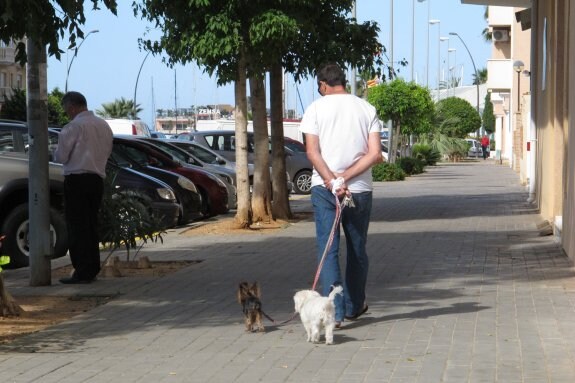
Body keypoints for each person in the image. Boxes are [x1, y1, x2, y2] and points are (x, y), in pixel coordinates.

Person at [299, 63, 382, 326]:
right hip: (359, 190)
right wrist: (344, 179)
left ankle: (333, 314)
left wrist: (332, 180)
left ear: (323, 84)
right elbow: (375, 154)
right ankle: (354, 306)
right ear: (343, 81)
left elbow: (312, 152)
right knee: (357, 249)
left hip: (325, 190)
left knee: (328, 250)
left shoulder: (314, 108)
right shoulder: (366, 108)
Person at [54, 91, 113, 284]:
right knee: (91, 225)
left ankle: (82, 271)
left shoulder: (73, 127)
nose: (66, 114)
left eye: (66, 110)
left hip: (77, 179)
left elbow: (61, 156)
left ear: (71, 107)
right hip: (96, 179)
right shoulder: (103, 125)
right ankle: (92, 268)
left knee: (77, 226)